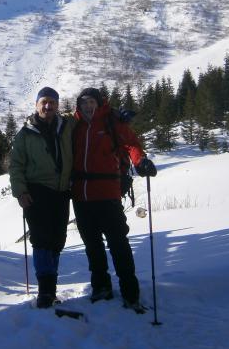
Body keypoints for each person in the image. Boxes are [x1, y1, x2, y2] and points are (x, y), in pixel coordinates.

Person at [71, 87, 157, 312]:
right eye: (84, 102)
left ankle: (130, 291)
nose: (88, 106)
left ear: (99, 104)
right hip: (81, 196)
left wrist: (140, 162)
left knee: (118, 243)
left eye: (92, 102)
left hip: (108, 193)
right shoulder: (75, 126)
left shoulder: (112, 122)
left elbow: (132, 144)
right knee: (92, 245)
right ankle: (101, 287)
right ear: (78, 105)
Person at [9, 87, 74, 308]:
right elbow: (15, 165)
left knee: (57, 240)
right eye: (44, 102)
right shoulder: (25, 134)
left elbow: (89, 117)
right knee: (41, 240)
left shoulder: (66, 126)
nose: (48, 106)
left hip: (62, 192)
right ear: (36, 105)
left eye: (52, 102)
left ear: (57, 105)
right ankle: (45, 291)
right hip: (36, 193)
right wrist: (20, 191)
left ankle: (50, 287)